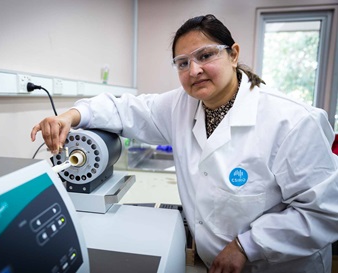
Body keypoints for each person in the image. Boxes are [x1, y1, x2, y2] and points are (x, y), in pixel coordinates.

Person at [31, 14, 338, 273]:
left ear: (233, 54)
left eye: (206, 56)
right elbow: (122, 108)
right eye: (182, 63)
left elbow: (324, 213)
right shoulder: (180, 106)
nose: (194, 70)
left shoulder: (293, 121)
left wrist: (248, 246)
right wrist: (71, 116)